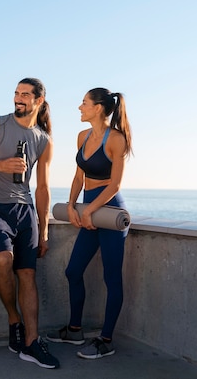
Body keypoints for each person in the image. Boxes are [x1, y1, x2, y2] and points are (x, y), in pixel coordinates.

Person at [0, 77, 59, 369]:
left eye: (25, 95)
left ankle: (31, 342)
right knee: (3, 260)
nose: (18, 98)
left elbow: (43, 188)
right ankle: (13, 319)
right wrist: (0, 165)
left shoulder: (44, 140)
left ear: (38, 101)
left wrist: (43, 231)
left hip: (25, 211)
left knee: (28, 274)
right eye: (16, 93)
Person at [46, 88, 133, 359]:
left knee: (111, 278)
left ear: (97, 108)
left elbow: (115, 184)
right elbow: (78, 178)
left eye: (84, 103)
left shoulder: (116, 139)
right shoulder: (82, 137)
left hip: (110, 214)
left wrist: (90, 211)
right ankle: (74, 330)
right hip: (88, 210)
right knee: (73, 271)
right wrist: (72, 206)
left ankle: (106, 339)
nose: (79, 107)